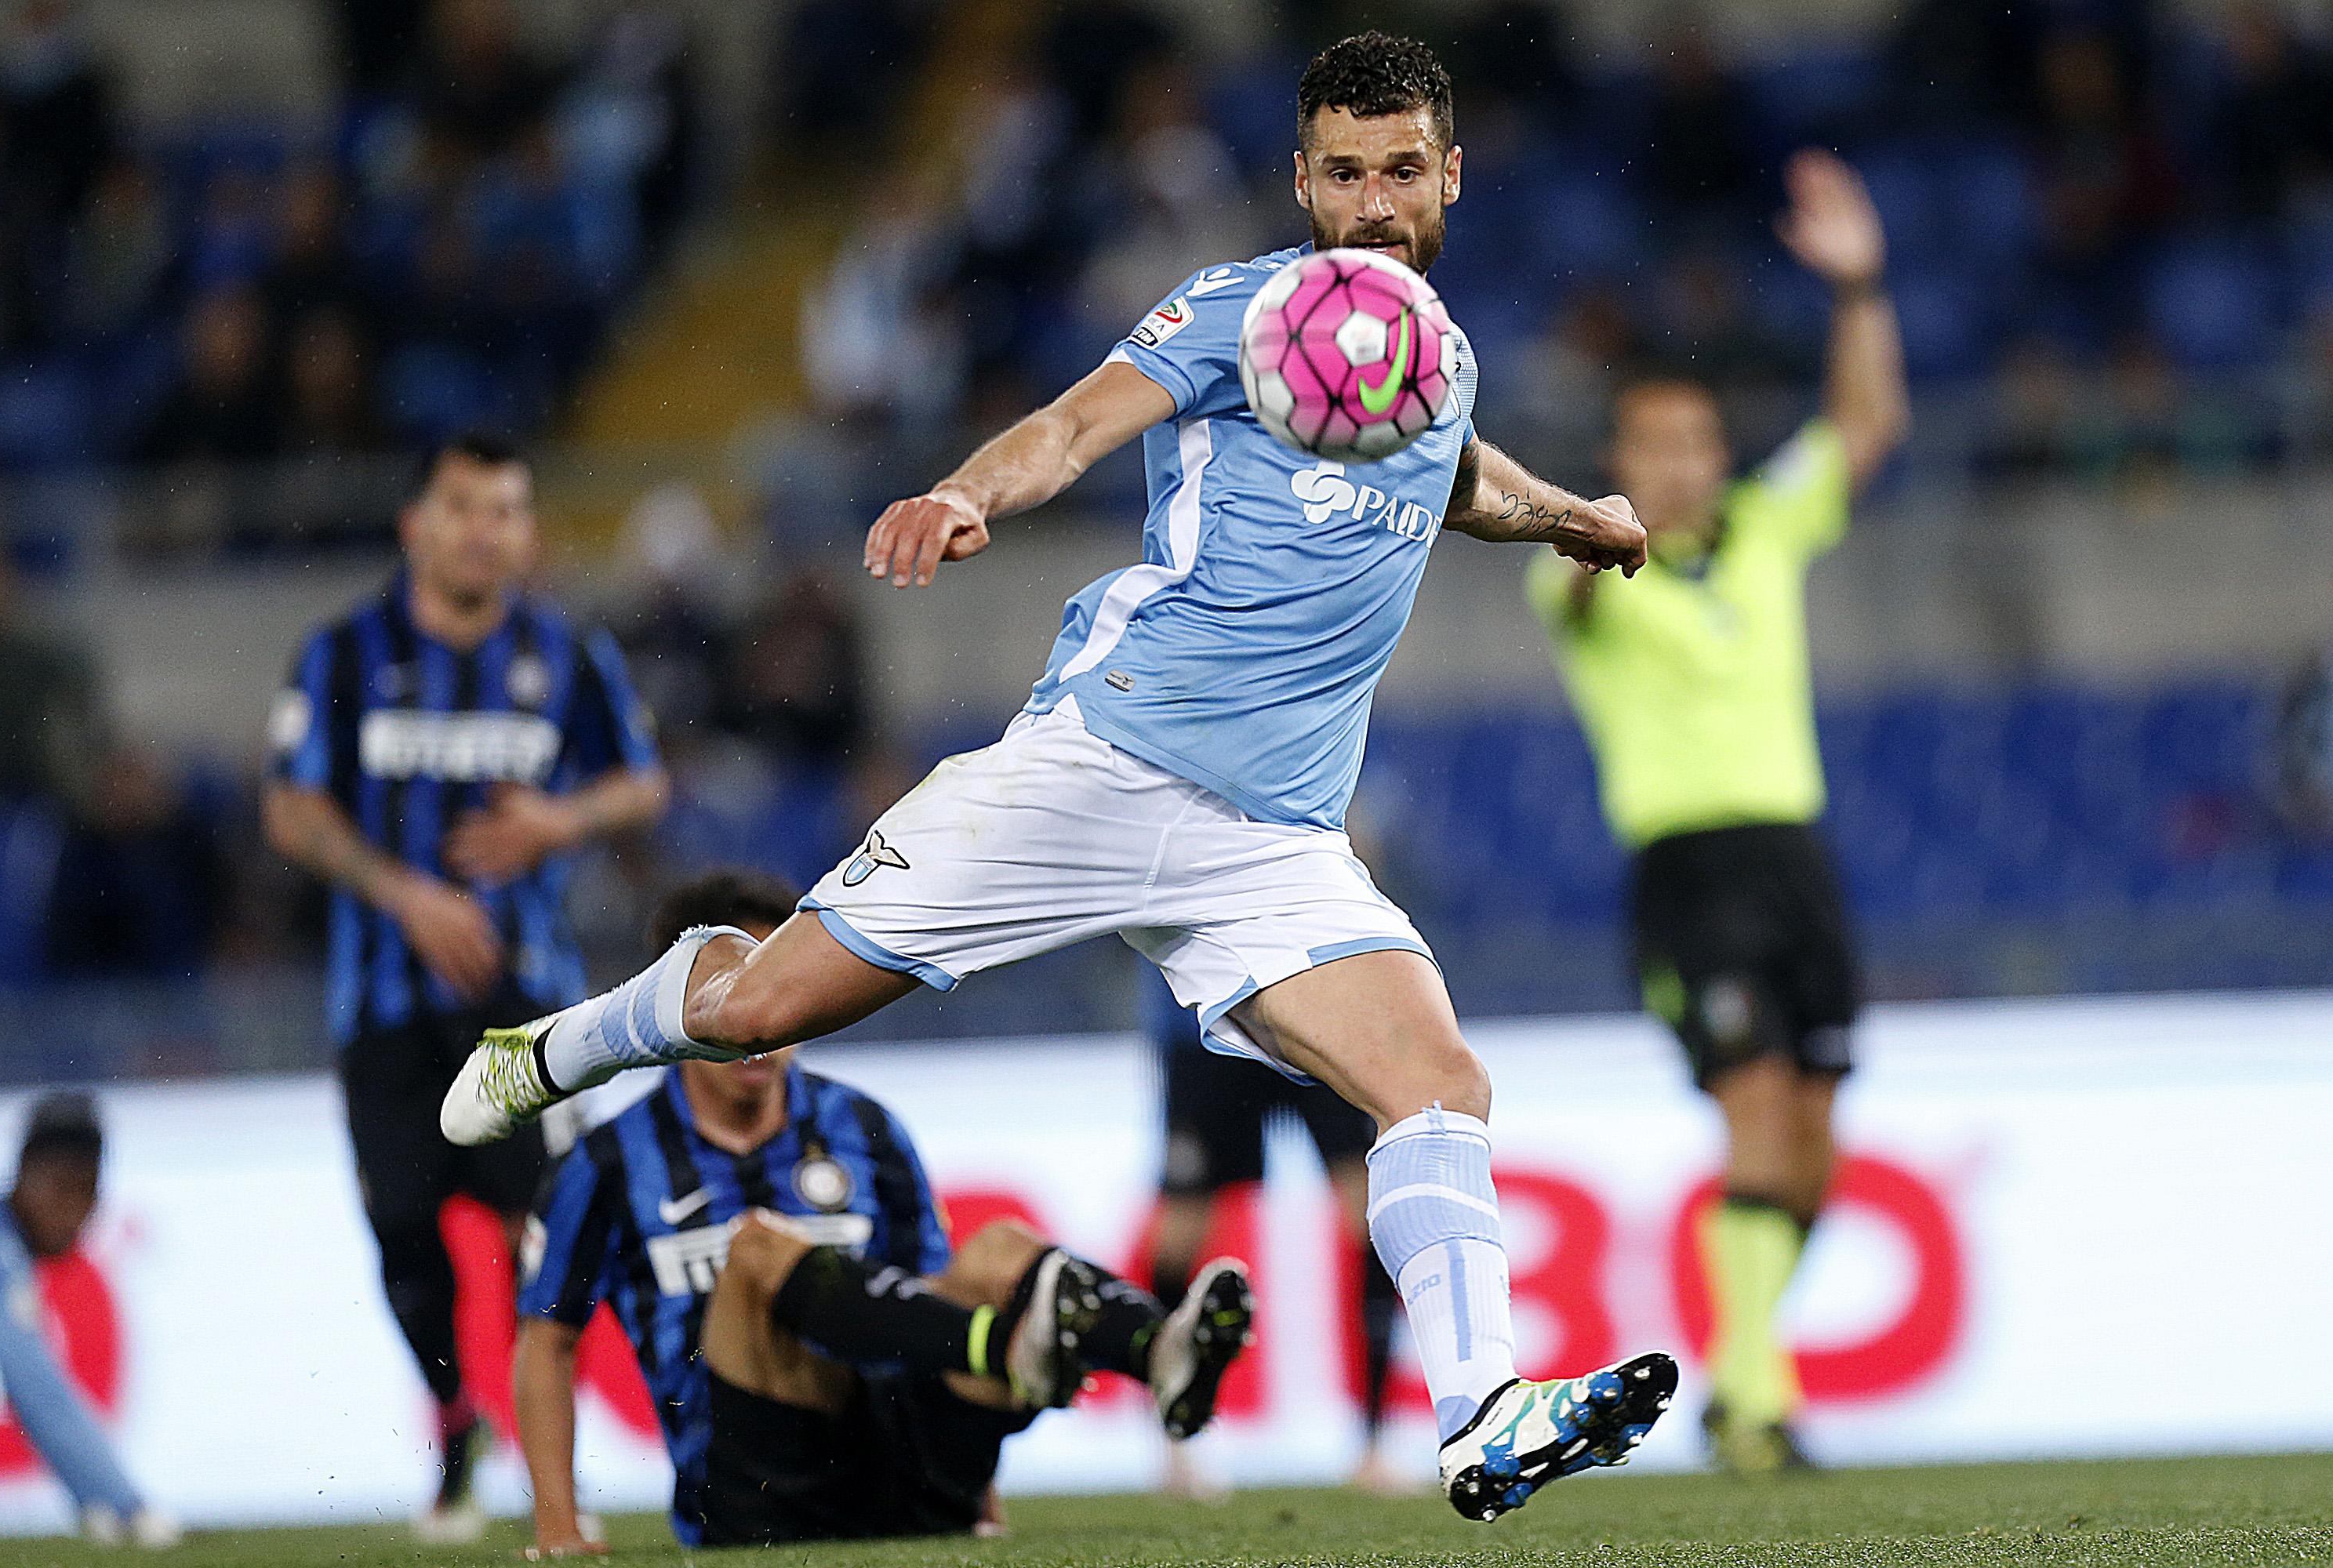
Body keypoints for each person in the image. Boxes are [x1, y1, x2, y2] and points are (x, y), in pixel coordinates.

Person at [449, 32, 1671, 1525]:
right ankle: (563, 1046)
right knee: (758, 1010)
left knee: (1438, 1084)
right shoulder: (1234, 312)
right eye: (1343, 173)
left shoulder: (1435, 355)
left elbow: (1453, 468)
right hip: (1099, 767)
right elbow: (1078, 423)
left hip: (1275, 841)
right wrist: (968, 489)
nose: (1372, 205)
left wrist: (1569, 515)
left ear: (1452, 176)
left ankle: (1481, 1413)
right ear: (1299, 180)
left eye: (1401, 171)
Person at [1527, 151, 1910, 1473]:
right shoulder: (1582, 570)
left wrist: (1857, 289)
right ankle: (1756, 1404)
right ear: (1620, 462)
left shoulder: (1762, 530)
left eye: (1697, 442)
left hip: (1795, 858)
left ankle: (1744, 1376)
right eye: (1657, 446)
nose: (1683, 463)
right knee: (1754, 1112)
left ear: (1718, 452)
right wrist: (1596, 538)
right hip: (1689, 871)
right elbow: (1574, 596)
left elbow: (1865, 429)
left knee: (1817, 1150)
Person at [515, 871, 1254, 1555]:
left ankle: (1155, 1349)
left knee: (998, 1248)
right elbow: (548, 1341)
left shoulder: (863, 1127)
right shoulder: (609, 1160)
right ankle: (1010, 1349)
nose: (755, 1020)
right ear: (672, 1010)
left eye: (773, 986)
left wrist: (983, 1501)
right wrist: (558, 1526)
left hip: (902, 1460)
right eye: (728, 992)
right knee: (757, 1250)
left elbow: (933, 1299)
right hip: (753, 1488)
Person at [261, 431, 669, 1541]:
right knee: (404, 1231)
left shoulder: (567, 654)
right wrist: (407, 895)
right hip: (382, 1004)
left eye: (506, 510)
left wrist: (560, 820)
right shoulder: (342, 654)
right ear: (415, 526)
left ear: (527, 531)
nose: (485, 531)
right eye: (462, 507)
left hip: (524, 1001)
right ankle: (451, 1420)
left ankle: (555, 1478)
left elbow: (642, 782)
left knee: (545, 1229)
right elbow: (289, 808)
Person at [1141, 964, 1406, 1497]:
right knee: (1179, 1238)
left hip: (1316, 1018)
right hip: (1205, 1026)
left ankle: (1375, 1445)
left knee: (1374, 1218)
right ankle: (1174, 1445)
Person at [0, 1093, 179, 1549]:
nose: (74, 1211)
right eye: (62, 1187)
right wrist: (126, 1506)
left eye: (88, 1192)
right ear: (24, 1178)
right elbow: (35, 1387)